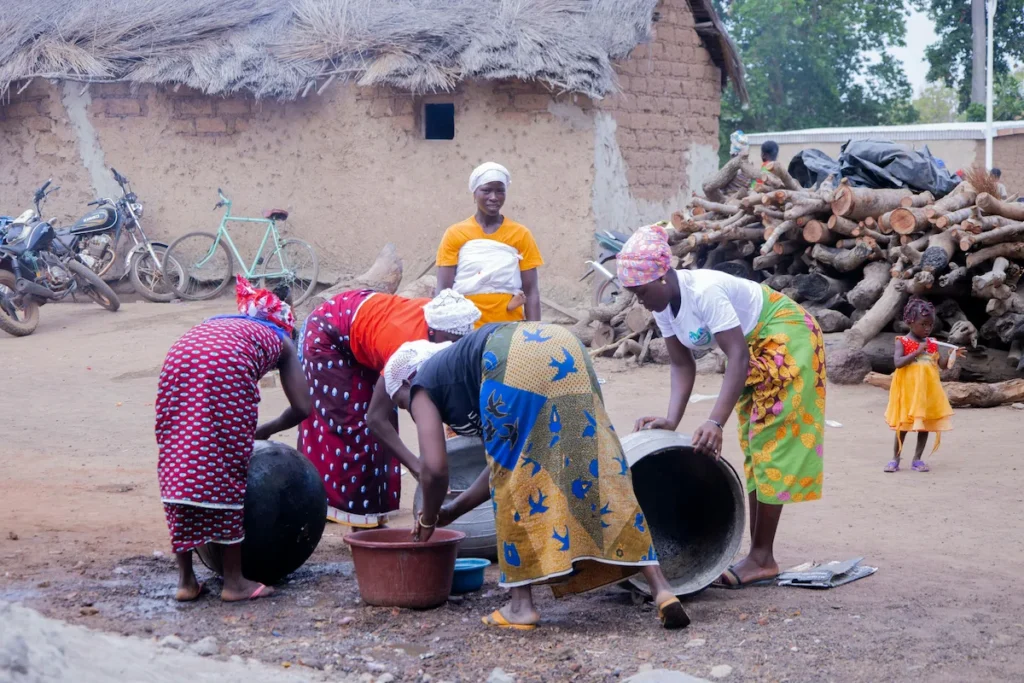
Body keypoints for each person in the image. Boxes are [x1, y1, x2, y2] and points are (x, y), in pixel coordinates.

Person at [379, 324, 691, 631]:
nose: (411, 411)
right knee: (597, 466)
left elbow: (434, 470)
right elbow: (503, 460)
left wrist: (429, 519)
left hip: (513, 357)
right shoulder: (461, 371)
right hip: (565, 344)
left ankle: (520, 607)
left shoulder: (423, 383)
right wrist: (452, 511)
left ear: (408, 382)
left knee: (514, 484)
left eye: (404, 404)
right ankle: (662, 590)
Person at [618, 224, 826, 589]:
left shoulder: (705, 292)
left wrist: (715, 421)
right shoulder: (664, 303)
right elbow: (683, 364)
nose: (641, 302)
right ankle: (759, 554)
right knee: (754, 446)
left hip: (786, 335)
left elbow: (737, 356)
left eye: (641, 292)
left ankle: (762, 558)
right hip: (755, 349)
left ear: (663, 276)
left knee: (771, 445)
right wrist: (671, 420)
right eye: (634, 295)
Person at [155, 276, 311, 602]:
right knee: (228, 466)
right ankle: (235, 582)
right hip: (226, 368)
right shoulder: (281, 338)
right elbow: (303, 407)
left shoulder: (223, 324)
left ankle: (186, 580)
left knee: (180, 461)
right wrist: (265, 430)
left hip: (178, 357)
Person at [299, 288, 480, 527]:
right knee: (354, 425)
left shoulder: (449, 326)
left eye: (459, 343)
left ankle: (370, 517)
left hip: (368, 324)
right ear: (432, 331)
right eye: (450, 341)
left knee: (388, 420)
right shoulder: (406, 347)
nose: (454, 348)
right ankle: (354, 521)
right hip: (330, 334)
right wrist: (418, 468)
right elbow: (375, 419)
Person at [435, 162, 543, 326]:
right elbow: (444, 289)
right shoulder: (455, 233)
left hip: (508, 326)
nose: (494, 197)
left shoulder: (520, 234)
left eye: (500, 191)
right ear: (474, 193)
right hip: (466, 326)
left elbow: (531, 290)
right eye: (486, 190)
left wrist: (535, 331)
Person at [883, 298, 963, 473]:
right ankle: (895, 458)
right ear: (910, 322)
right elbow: (897, 363)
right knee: (902, 426)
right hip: (908, 392)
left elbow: (942, 365)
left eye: (930, 325)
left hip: (926, 392)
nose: (927, 328)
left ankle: (917, 459)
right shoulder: (902, 341)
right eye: (923, 324)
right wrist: (917, 351)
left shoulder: (932, 343)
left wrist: (952, 355)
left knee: (924, 425)